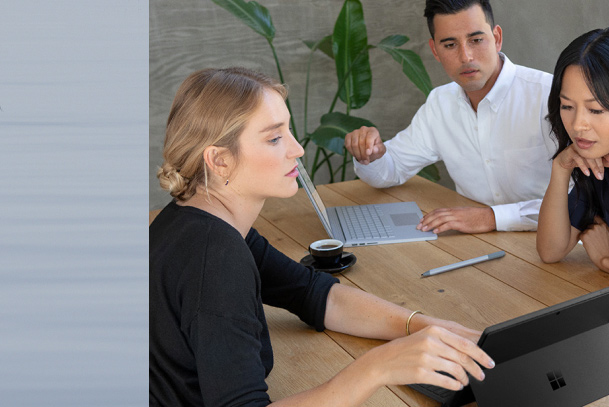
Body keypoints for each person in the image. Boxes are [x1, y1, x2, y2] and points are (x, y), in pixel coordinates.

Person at [149, 67, 495, 406]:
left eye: (288, 132)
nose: (297, 150)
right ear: (220, 161)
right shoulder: (216, 258)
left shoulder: (200, 224)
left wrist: (424, 327)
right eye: (274, 138)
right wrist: (375, 368)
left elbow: (313, 294)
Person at [344, 0, 555, 234]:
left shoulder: (551, 97)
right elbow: (391, 170)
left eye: (476, 40)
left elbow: (585, 200)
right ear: (435, 50)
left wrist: (493, 218)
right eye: (450, 45)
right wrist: (373, 153)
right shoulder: (440, 103)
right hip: (474, 246)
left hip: (555, 248)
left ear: (496, 38)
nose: (466, 57)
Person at [537, 28, 609, 273]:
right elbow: (550, 251)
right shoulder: (597, 169)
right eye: (567, 106)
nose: (578, 125)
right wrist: (560, 170)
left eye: (596, 110)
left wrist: (605, 261)